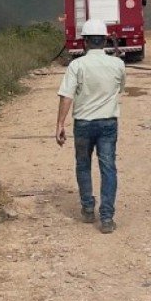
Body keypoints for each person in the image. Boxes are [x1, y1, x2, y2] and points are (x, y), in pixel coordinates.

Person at [56, 19, 126, 234]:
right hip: (108, 123)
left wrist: (60, 124)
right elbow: (120, 88)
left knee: (83, 165)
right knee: (108, 168)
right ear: (105, 39)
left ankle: (88, 208)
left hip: (84, 124)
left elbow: (66, 96)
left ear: (85, 41)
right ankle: (106, 218)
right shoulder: (117, 64)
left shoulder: (77, 65)